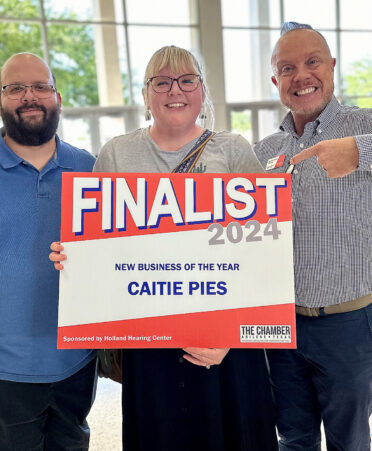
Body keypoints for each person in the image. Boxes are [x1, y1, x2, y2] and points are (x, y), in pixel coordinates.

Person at [50, 45, 278, 451]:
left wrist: (230, 336)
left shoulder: (234, 150)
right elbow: (97, 248)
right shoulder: (117, 155)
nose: (176, 90)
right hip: (148, 343)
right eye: (162, 81)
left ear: (202, 90)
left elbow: (264, 256)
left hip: (225, 344)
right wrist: (74, 259)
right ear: (146, 94)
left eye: (187, 80)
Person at [254, 22, 372, 451]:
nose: (301, 75)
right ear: (276, 82)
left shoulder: (364, 125)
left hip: (349, 323)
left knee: (350, 440)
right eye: (288, 68)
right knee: (293, 438)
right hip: (279, 326)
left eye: (312, 62)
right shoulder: (264, 152)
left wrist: (360, 152)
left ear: (332, 67)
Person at [0, 53, 96, 451]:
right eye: (16, 88)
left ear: (57, 96)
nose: (30, 96)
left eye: (41, 86)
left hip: (76, 360)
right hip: (7, 368)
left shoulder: (91, 169)